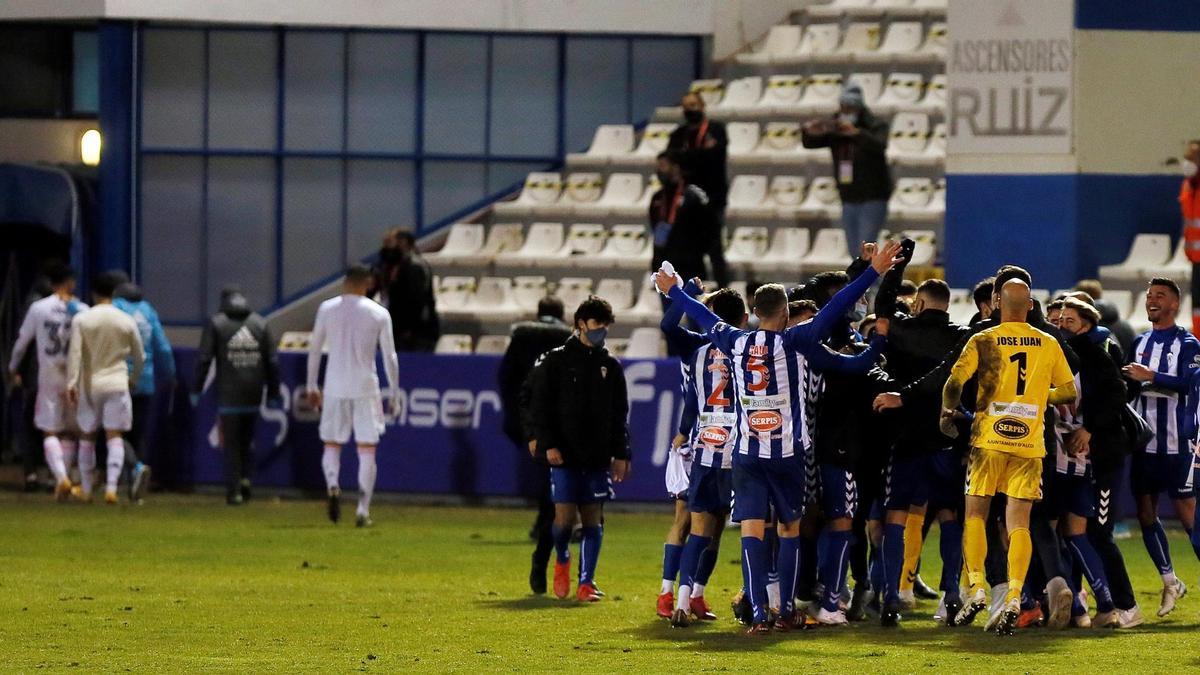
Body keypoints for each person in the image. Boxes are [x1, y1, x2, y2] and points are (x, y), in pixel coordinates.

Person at [654, 241, 902, 633]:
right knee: (788, 529)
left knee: (752, 529)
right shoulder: (796, 340)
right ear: (786, 314)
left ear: (752, 314)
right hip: (788, 454)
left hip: (747, 454)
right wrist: (874, 271)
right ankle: (785, 609)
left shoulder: (732, 341)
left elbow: (701, 315)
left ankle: (757, 614)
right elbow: (839, 307)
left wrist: (673, 290)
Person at [941, 279, 1077, 635]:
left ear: (998, 302)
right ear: (1031, 304)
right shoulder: (1048, 342)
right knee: (1019, 521)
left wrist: (946, 412)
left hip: (988, 440)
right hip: (1029, 444)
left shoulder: (983, 339)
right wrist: (1037, 398)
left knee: (975, 512)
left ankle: (978, 585)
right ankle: (1016, 593)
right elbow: (1067, 391)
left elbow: (954, 383)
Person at [874, 269, 971, 626]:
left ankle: (891, 596)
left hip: (905, 438)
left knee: (896, 516)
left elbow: (882, 304)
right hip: (946, 438)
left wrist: (896, 266)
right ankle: (951, 596)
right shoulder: (961, 337)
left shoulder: (903, 330)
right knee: (949, 516)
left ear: (918, 302)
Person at [526, 296, 631, 603]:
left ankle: (587, 582)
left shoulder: (610, 366)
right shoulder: (556, 361)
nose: (602, 331)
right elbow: (540, 406)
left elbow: (618, 413)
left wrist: (622, 453)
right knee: (563, 519)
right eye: (598, 324)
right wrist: (548, 444)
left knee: (593, 518)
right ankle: (561, 558)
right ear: (581, 324)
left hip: (597, 455)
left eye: (606, 326)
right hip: (564, 453)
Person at [658, 282, 746, 627]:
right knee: (717, 527)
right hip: (739, 448)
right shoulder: (746, 346)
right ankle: (682, 593)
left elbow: (667, 326)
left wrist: (686, 297)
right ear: (742, 317)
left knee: (698, 527)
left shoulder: (694, 346)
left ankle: (685, 597)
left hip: (702, 444)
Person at [1121, 277, 1198, 616]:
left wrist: (1151, 377)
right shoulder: (1139, 342)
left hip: (1178, 443)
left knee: (1189, 517)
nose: (1152, 300)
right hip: (1146, 444)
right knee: (1145, 513)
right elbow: (1130, 384)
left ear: (1174, 305)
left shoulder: (1189, 344)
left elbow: (1190, 384)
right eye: (1150, 295)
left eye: (1160, 296)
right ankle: (1170, 581)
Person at [1053, 297, 1129, 628]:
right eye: (1059, 319)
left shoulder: (1091, 355)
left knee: (1052, 529)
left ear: (1086, 325)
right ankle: (1101, 605)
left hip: (1066, 453)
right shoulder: (1074, 351)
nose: (1062, 325)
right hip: (1078, 457)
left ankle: (1075, 605)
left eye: (1069, 320)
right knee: (1076, 533)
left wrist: (1089, 428)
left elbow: (1117, 394)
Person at [306, 264, 400, 527]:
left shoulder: (327, 309)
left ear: (345, 282)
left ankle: (333, 485)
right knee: (367, 449)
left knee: (332, 444)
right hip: (364, 387)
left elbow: (314, 349)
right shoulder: (378, 314)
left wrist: (312, 385)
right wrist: (394, 391)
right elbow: (390, 357)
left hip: (335, 385)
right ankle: (362, 509)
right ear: (367, 283)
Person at [497, 296, 572, 595]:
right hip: (562, 426)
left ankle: (546, 536)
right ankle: (551, 534)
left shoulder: (522, 338)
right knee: (556, 484)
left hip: (531, 424)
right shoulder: (567, 341)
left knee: (545, 478)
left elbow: (506, 378)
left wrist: (517, 417)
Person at [193, 287, 282, 505]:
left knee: (231, 443)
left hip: (228, 394)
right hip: (253, 394)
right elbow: (272, 361)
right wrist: (273, 391)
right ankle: (246, 480)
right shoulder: (260, 324)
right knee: (248, 441)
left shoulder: (217, 324)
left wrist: (196, 388)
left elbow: (204, 358)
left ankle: (234, 491)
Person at [7, 263, 87, 500]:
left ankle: (61, 477)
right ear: (70, 282)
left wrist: (12, 367)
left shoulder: (39, 308)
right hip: (73, 374)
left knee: (49, 429)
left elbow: (22, 341)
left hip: (48, 372)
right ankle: (64, 479)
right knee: (72, 432)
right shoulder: (82, 309)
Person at [66, 271, 145, 504]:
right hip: (117, 381)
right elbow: (140, 356)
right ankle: (111, 488)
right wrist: (134, 377)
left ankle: (88, 489)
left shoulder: (82, 319)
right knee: (115, 436)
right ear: (114, 293)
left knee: (87, 437)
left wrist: (72, 382)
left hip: (90, 384)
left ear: (93, 293)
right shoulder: (126, 320)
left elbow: (75, 353)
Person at [801, 81, 892, 257]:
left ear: (859, 109)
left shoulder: (875, 125)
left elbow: (880, 144)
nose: (846, 112)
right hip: (848, 197)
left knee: (865, 249)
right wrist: (809, 131)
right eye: (843, 108)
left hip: (872, 197)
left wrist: (856, 133)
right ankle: (870, 283)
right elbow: (811, 143)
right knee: (854, 251)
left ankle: (874, 284)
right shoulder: (836, 130)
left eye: (850, 108)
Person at [114, 280, 175, 503]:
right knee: (137, 434)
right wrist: (170, 375)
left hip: (119, 379)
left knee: (114, 431)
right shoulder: (148, 312)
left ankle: (131, 471)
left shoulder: (116, 309)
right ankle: (133, 485)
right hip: (145, 382)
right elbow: (163, 348)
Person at [668, 91, 730, 288]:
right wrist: (702, 153)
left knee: (714, 249)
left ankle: (724, 291)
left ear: (702, 106)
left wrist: (689, 157)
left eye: (693, 105)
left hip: (713, 198)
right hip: (687, 202)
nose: (689, 110)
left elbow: (714, 158)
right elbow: (673, 158)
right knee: (690, 251)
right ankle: (694, 290)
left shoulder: (716, 130)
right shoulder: (678, 134)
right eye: (686, 106)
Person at [649, 151, 719, 293]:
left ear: (676, 167)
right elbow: (656, 234)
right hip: (665, 267)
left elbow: (709, 228)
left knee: (694, 312)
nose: (659, 171)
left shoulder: (693, 195)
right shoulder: (657, 198)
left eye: (663, 166)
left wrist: (697, 252)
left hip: (690, 265)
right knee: (669, 314)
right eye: (658, 167)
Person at [375, 228, 439, 352]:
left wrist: (408, 329)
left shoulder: (415, 266)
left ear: (403, 243)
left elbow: (417, 301)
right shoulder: (389, 267)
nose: (385, 248)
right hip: (396, 329)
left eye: (389, 243)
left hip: (416, 332)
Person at [1177, 139, 1200, 334]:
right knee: (1197, 306)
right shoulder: (1187, 186)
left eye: (1192, 158)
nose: (1188, 163)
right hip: (1196, 260)